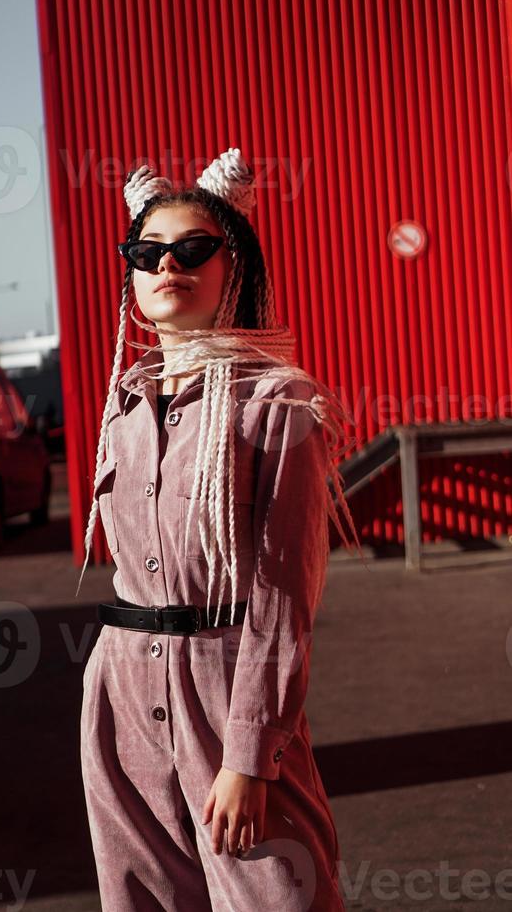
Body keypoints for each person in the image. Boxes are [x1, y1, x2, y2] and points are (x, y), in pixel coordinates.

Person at [77, 148, 366, 911]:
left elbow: (282, 599)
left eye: (192, 248)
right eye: (147, 251)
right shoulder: (126, 406)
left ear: (232, 264)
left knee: (274, 892)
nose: (167, 262)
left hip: (225, 690)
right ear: (132, 276)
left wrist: (250, 755)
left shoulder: (278, 403)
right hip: (122, 695)